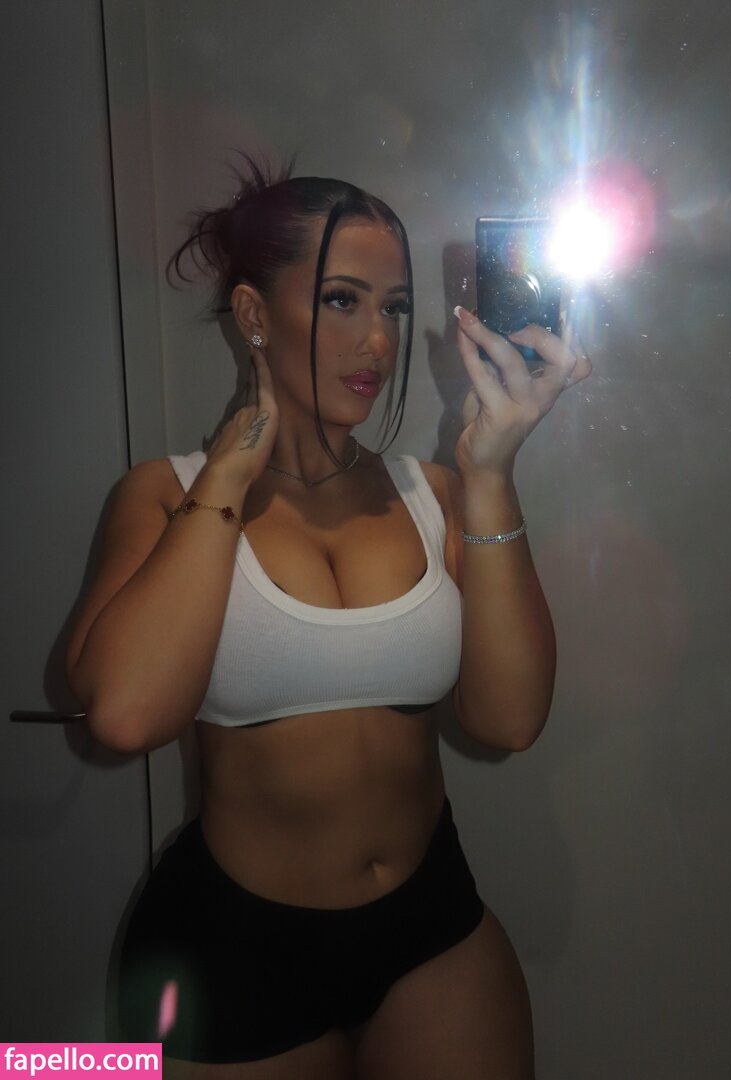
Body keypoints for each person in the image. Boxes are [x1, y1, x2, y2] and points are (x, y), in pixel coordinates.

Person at [65, 163, 590, 1079]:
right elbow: (124, 717)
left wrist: (491, 474)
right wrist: (231, 469)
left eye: (393, 307)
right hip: (233, 948)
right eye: (342, 299)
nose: (377, 340)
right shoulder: (165, 495)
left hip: (433, 929)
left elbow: (509, 721)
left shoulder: (436, 494)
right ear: (254, 314)